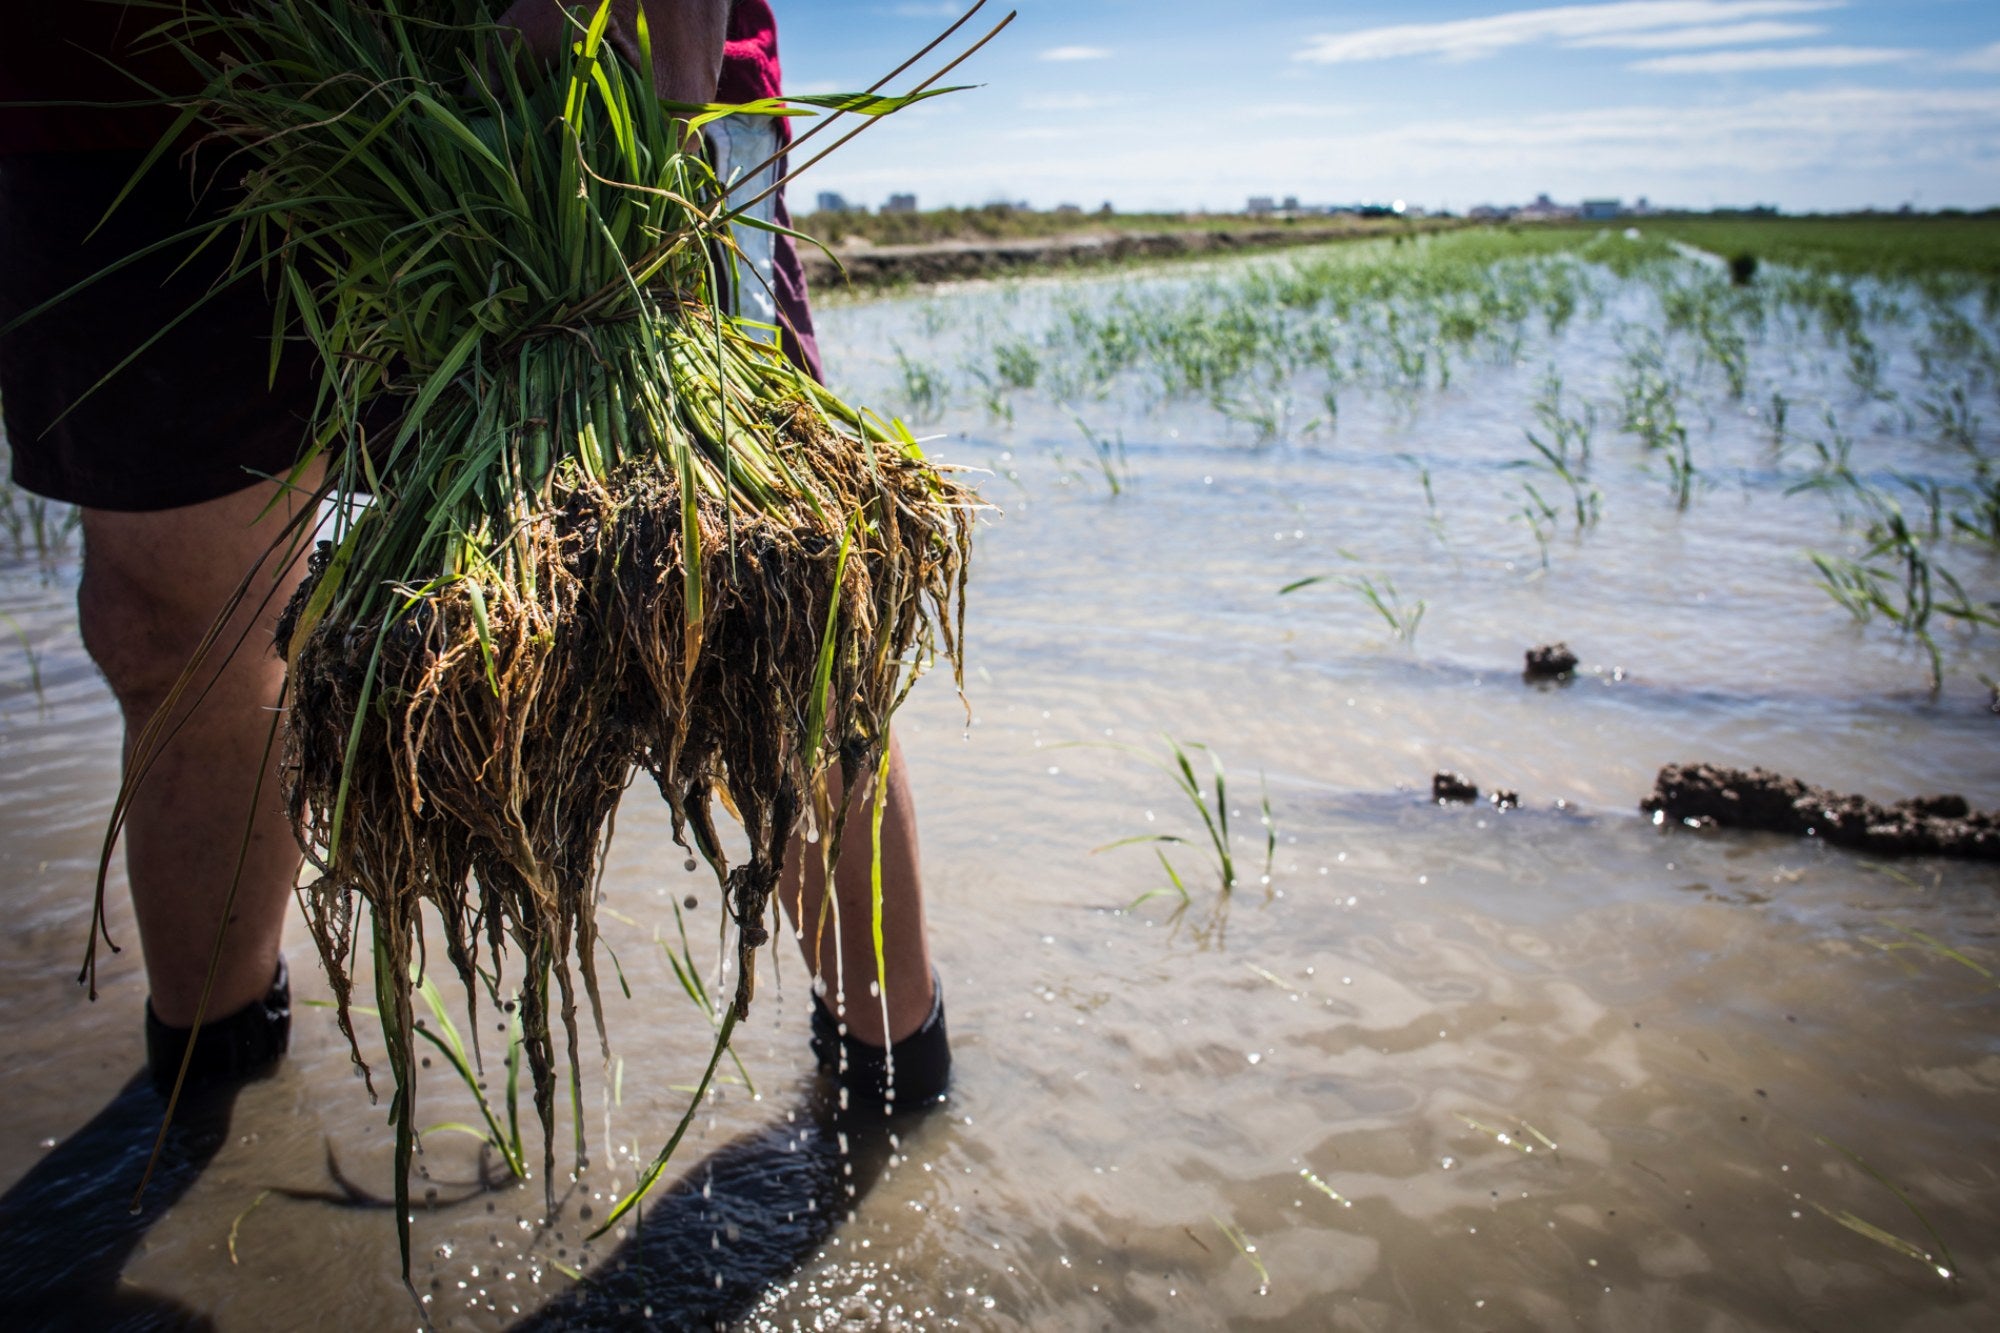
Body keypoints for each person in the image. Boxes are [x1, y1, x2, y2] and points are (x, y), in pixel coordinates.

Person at [0, 1, 946, 1116]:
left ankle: (895, 1093)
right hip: (144, 91)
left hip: (585, 64)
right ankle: (209, 1104)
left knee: (766, 592)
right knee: (175, 631)